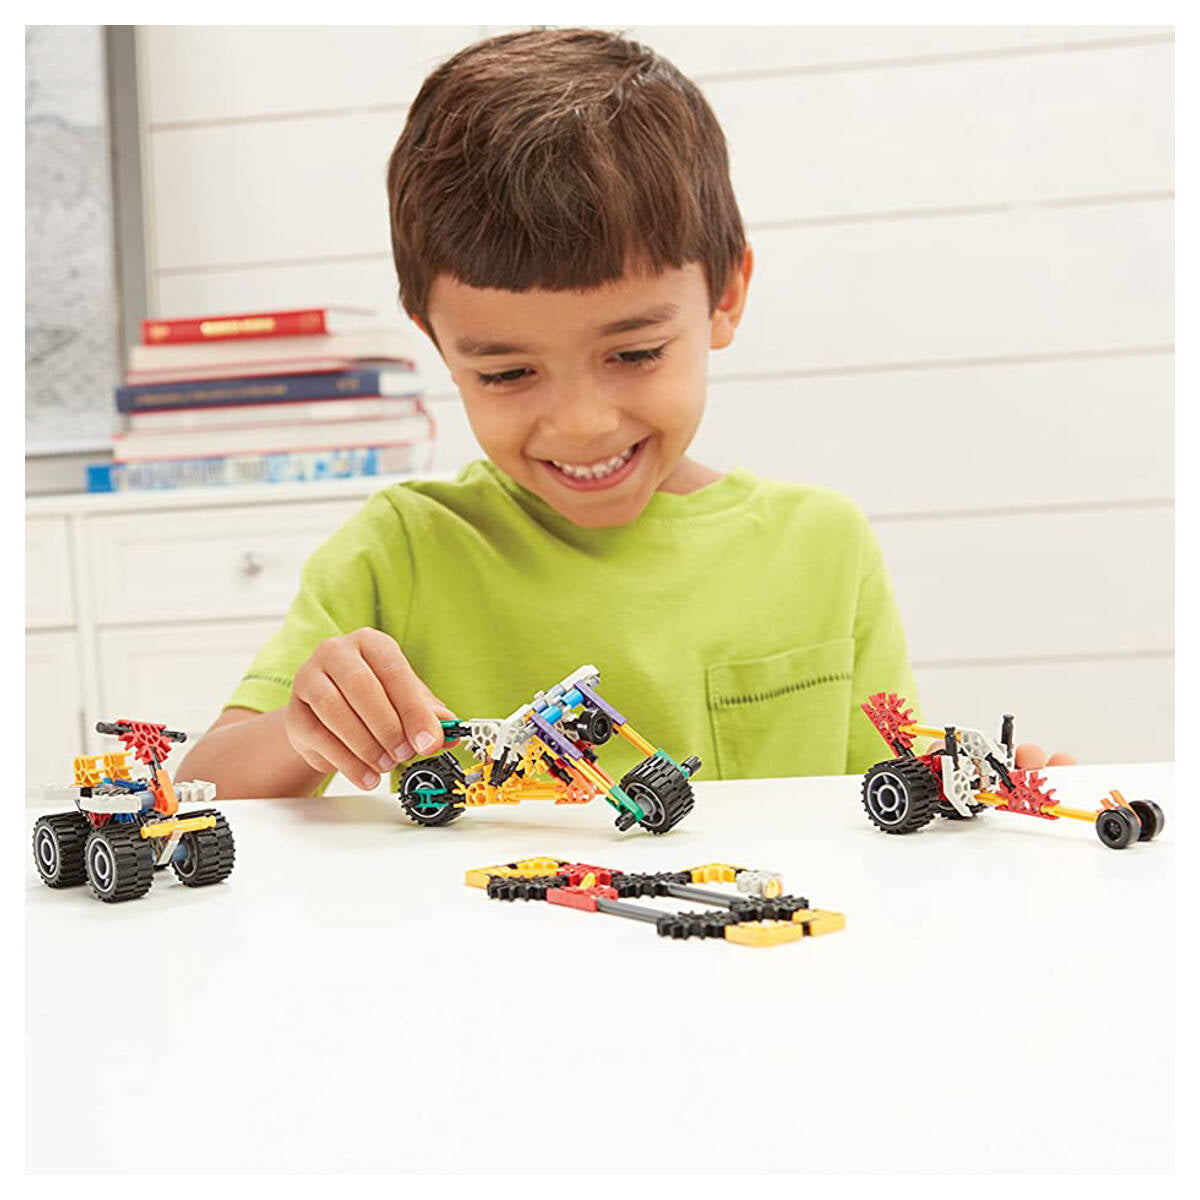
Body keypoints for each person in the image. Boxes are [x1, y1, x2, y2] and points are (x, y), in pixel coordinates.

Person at [177, 28, 1071, 799]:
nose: (581, 423)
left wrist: (992, 800)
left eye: (635, 354)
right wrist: (303, 728)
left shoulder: (823, 549)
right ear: (438, 344)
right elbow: (204, 784)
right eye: (508, 371)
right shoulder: (400, 550)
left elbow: (889, 805)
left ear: (725, 297)